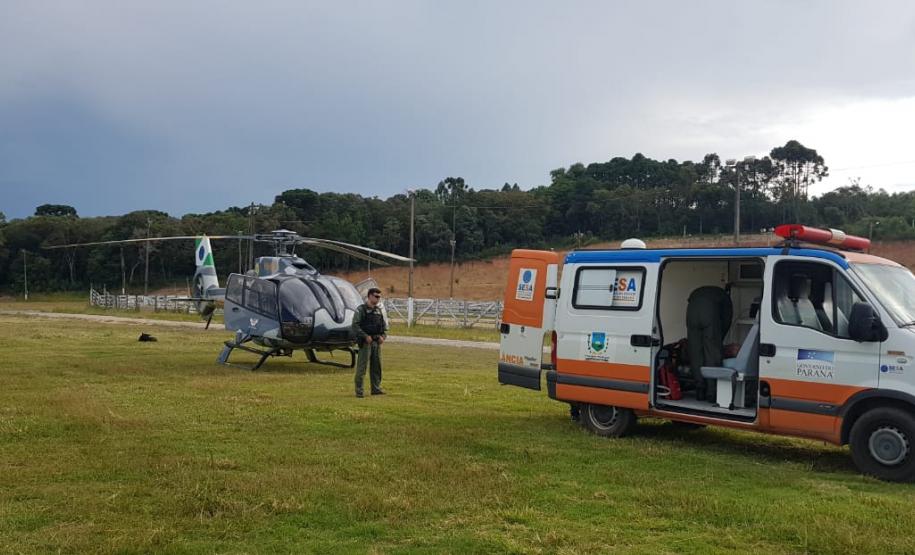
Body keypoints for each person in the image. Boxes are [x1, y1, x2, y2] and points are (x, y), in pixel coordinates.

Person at [686, 285, 733, 402]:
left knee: (695, 351)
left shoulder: (703, 291)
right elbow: (727, 320)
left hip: (691, 310)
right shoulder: (725, 298)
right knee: (712, 352)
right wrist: (718, 339)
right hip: (709, 311)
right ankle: (711, 392)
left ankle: (699, 390)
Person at [352, 287, 386, 398]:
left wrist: (383, 337)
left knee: (377, 367)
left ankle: (376, 389)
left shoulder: (378, 310)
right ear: (370, 296)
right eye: (376, 296)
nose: (378, 299)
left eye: (379, 297)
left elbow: (384, 327)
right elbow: (355, 325)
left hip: (376, 342)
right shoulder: (361, 310)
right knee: (362, 367)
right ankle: (359, 391)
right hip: (366, 342)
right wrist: (365, 336)